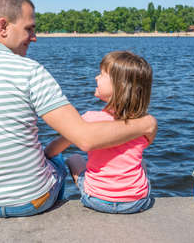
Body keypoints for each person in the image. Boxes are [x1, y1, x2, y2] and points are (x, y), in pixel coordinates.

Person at [0, 0, 157, 218]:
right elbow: (85, 138)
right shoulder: (29, 71)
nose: (34, 37)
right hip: (31, 201)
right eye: (29, 29)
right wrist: (146, 124)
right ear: (2, 26)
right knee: (56, 157)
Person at [45, 51, 155, 214]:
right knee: (142, 162)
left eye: (102, 74)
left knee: (74, 158)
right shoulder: (146, 123)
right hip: (137, 201)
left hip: (97, 199)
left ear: (120, 86)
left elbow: (51, 151)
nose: (96, 77)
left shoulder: (89, 119)